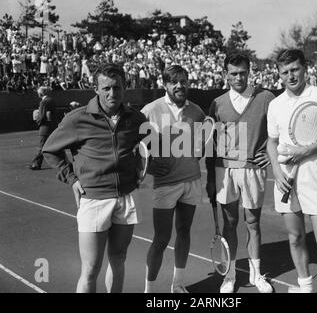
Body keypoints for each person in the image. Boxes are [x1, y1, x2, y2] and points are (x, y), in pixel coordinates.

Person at [42, 63, 147, 293]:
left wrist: (140, 170)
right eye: (107, 88)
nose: (112, 93)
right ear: (96, 89)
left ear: (124, 88)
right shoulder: (77, 118)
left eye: (117, 88)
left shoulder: (137, 119)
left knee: (118, 259)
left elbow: (149, 147)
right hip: (95, 199)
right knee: (90, 268)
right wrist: (72, 179)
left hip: (126, 196)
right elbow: (50, 149)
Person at [266, 49, 317, 293]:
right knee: (295, 238)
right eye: (284, 72)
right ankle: (306, 287)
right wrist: (277, 172)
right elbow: (271, 142)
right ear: (279, 74)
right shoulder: (275, 104)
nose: (290, 76)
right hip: (285, 180)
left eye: (294, 69)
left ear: (305, 68)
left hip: (315, 176)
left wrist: (307, 150)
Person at [205, 52, 275, 293]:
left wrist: (270, 153)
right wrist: (210, 179)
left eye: (242, 72)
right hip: (224, 172)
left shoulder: (266, 97)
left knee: (253, 223)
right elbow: (211, 142)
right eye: (233, 73)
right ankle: (230, 275)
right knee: (229, 224)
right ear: (226, 75)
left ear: (249, 71)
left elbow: (280, 130)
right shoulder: (217, 103)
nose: (238, 77)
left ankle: (257, 275)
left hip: (253, 170)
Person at [141, 65, 205, 293]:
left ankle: (177, 284)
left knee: (184, 231)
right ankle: (149, 290)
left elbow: (200, 146)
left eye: (183, 81)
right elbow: (135, 147)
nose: (179, 86)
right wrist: (149, 168)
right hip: (165, 185)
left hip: (192, 181)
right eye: (174, 82)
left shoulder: (197, 112)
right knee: (161, 238)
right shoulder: (150, 110)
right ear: (165, 84)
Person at [28, 86, 56, 170]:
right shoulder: (51, 100)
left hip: (44, 127)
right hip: (51, 126)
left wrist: (37, 121)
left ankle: (36, 164)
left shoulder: (43, 102)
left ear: (40, 93)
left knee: (42, 146)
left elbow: (42, 115)